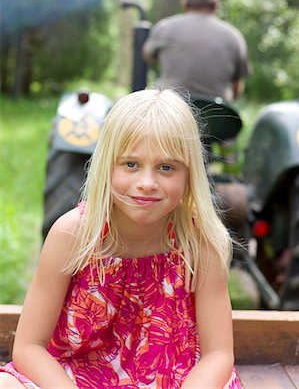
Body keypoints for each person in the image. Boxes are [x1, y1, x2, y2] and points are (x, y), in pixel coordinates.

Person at [0, 88, 242, 389]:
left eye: (166, 167)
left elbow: (218, 354)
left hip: (172, 380)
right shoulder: (72, 235)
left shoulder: (201, 243)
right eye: (131, 164)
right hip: (73, 378)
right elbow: (28, 347)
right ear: (107, 165)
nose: (146, 183)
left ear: (190, 174)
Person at [143, 0, 251, 102]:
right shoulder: (234, 37)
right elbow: (237, 88)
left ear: (184, 3)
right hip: (218, 116)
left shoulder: (164, 28)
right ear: (215, 4)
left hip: (172, 114)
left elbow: (148, 56)